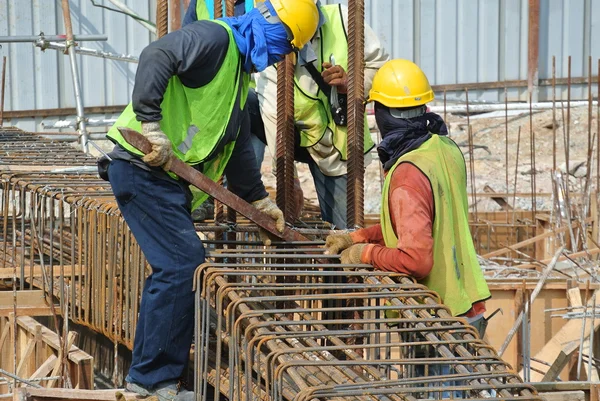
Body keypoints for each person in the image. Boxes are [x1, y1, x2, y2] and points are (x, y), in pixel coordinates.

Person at [98, 2, 319, 400]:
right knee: (183, 264)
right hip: (141, 166)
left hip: (164, 181)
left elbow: (234, 148)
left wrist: (258, 200)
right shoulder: (215, 38)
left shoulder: (238, 77)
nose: (281, 54)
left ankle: (149, 379)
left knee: (173, 268)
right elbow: (157, 54)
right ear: (266, 21)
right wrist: (151, 123)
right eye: (283, 41)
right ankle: (152, 383)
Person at [184, 0, 390, 228]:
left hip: (335, 144)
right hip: (287, 130)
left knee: (345, 230)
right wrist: (287, 177)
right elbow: (272, 112)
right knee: (238, 103)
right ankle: (208, 195)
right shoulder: (274, 30)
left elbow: (382, 70)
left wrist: (352, 83)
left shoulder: (343, 19)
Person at [324, 59, 491, 334]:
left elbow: (416, 259)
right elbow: (421, 224)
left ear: (381, 113)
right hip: (468, 307)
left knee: (431, 380)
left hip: (437, 320)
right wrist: (356, 237)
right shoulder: (444, 148)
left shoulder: (407, 173)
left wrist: (365, 254)